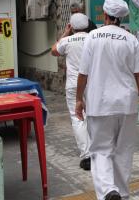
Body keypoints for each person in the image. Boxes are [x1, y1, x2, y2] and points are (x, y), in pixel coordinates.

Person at [76, 0, 139, 200]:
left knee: (100, 150)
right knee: (124, 151)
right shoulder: (131, 39)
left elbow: (83, 74)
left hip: (99, 104)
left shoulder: (93, 36)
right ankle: (122, 194)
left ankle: (109, 190)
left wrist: (78, 100)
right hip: (126, 104)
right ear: (121, 17)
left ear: (106, 16)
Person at [51, 13, 91, 170]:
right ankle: (98, 152)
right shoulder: (93, 38)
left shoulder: (67, 41)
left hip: (74, 84)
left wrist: (66, 32)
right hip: (91, 83)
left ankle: (86, 156)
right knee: (92, 115)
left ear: (72, 26)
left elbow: (54, 50)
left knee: (77, 118)